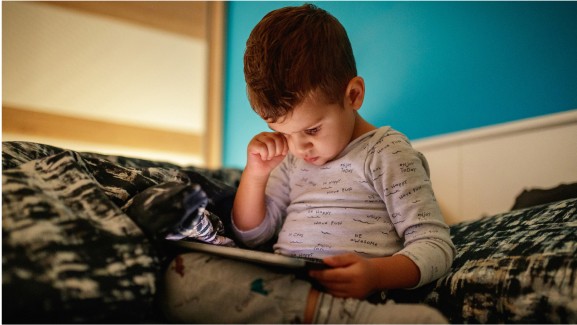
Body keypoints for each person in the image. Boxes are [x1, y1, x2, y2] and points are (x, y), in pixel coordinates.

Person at [161, 4, 455, 323]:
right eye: (282, 133)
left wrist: (375, 274)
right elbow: (252, 235)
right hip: (286, 288)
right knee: (178, 277)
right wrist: (255, 175)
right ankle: (314, 312)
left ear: (353, 96)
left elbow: (435, 244)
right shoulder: (291, 158)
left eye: (312, 130)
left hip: (359, 297)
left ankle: (331, 314)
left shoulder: (386, 152)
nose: (299, 147)